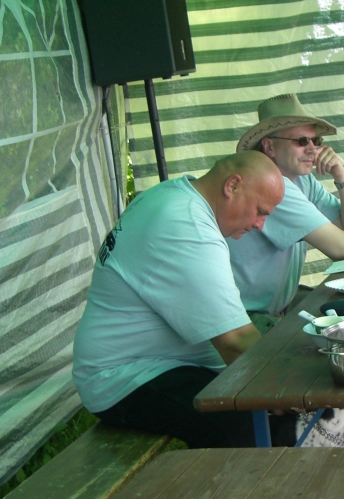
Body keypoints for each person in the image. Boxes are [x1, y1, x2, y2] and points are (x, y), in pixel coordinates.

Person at [72, 151, 295, 448]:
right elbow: (235, 341)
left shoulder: (172, 196)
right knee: (249, 424)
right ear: (232, 186)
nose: (260, 224)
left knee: (261, 400)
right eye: (260, 211)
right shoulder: (187, 226)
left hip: (161, 364)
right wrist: (288, 393)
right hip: (124, 377)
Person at [231, 93, 344, 330]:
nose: (313, 150)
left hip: (275, 306)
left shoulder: (303, 181)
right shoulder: (271, 184)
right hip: (246, 318)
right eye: (301, 141)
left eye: (316, 140)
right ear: (269, 147)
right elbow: (343, 249)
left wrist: (341, 176)